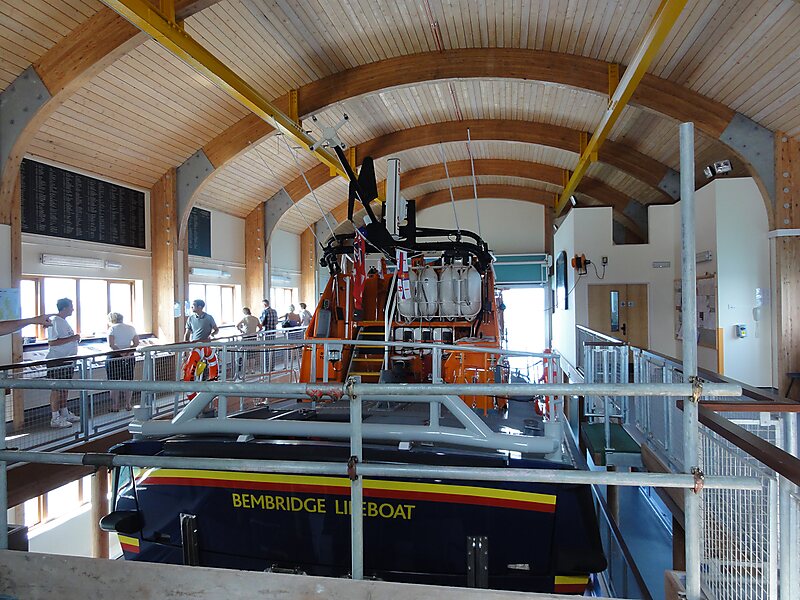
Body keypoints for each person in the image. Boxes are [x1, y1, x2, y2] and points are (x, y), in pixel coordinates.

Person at [46, 298, 81, 428]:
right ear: (65, 308)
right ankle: (55, 417)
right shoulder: (55, 321)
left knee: (65, 388)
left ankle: (64, 413)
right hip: (57, 361)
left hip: (67, 361)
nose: (73, 309)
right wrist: (73, 338)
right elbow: (52, 342)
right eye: (71, 306)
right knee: (56, 389)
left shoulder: (63, 322)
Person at [106, 312, 140, 411]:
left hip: (114, 357)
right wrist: (127, 353)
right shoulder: (131, 328)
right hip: (129, 357)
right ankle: (128, 404)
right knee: (128, 380)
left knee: (113, 382)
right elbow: (136, 343)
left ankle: (115, 405)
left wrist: (121, 354)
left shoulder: (112, 329)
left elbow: (111, 345)